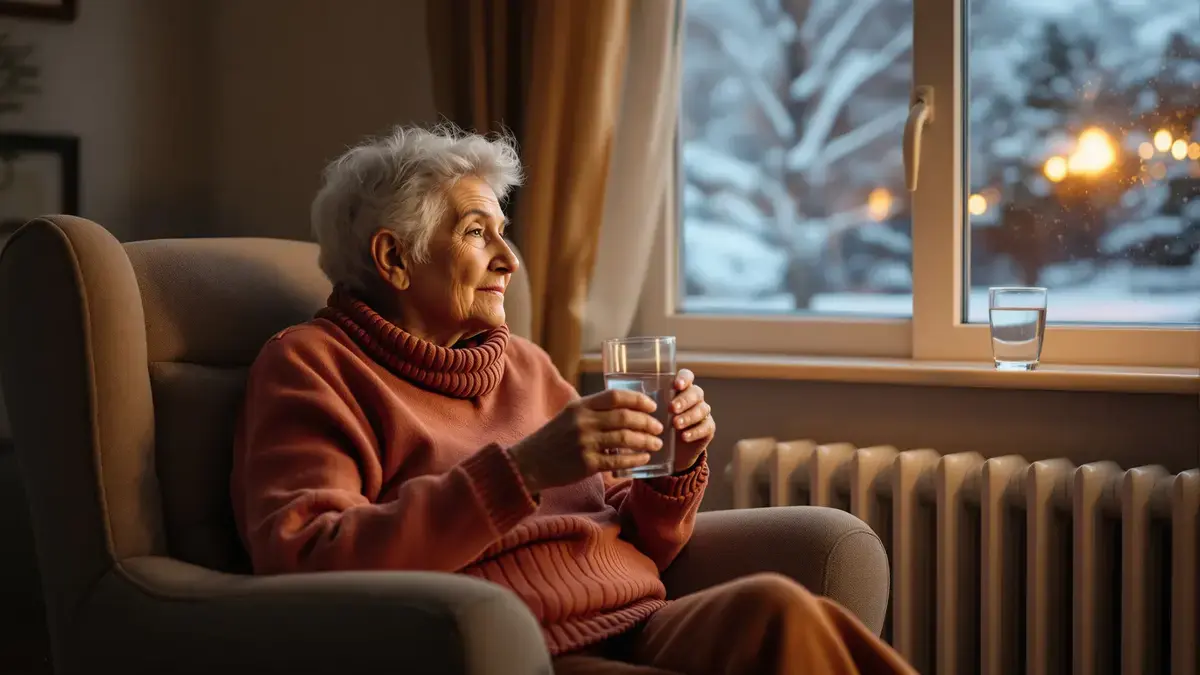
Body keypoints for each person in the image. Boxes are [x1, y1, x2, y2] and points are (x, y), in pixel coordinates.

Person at [231, 124, 915, 675]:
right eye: (477, 232)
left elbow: (639, 533)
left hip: (636, 615)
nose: (511, 259)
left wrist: (673, 466)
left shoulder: (522, 365)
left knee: (780, 607)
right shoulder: (311, 365)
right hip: (520, 647)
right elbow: (311, 557)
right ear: (394, 258)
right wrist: (521, 471)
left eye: (503, 231)